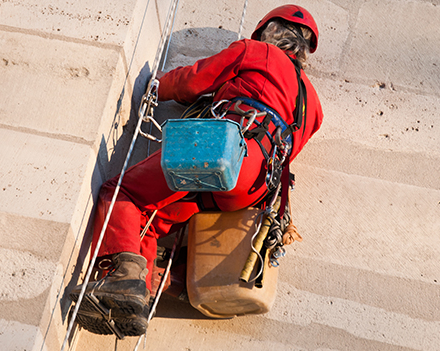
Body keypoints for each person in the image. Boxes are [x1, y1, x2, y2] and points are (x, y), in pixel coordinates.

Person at [70, 4, 323, 337]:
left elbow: (194, 82)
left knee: (122, 193)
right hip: (253, 190)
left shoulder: (255, 51)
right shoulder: (313, 104)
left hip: (225, 153)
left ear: (267, 31)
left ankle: (121, 277)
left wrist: (157, 85)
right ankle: (139, 294)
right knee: (148, 220)